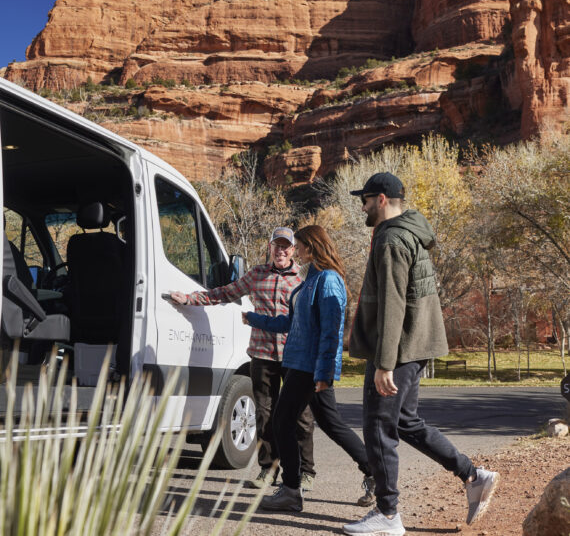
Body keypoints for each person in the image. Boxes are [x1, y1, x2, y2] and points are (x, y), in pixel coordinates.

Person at [343, 172, 499, 536]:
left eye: (364, 199)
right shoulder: (409, 233)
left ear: (381, 199)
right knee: (405, 423)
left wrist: (384, 363)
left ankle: (387, 514)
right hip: (413, 347)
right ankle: (473, 475)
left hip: (397, 350)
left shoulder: (391, 240)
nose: (362, 206)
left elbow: (393, 304)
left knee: (379, 428)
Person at [169, 226, 317, 491]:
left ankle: (307, 472)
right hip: (261, 354)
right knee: (264, 413)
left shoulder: (303, 279)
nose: (281, 251)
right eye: (277, 246)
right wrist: (190, 299)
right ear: (270, 248)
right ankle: (268, 470)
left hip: (293, 355)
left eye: (286, 246)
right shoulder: (257, 275)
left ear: (293, 250)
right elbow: (224, 293)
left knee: (302, 415)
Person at [243, 225, 375, 512]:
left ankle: (291, 489)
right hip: (300, 364)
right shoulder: (310, 280)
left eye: (300, 246)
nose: (296, 251)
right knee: (331, 424)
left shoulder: (328, 280)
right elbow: (291, 324)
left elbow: (332, 331)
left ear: (311, 247)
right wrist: (254, 319)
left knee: (281, 421)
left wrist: (325, 373)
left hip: (309, 367)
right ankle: (374, 471)